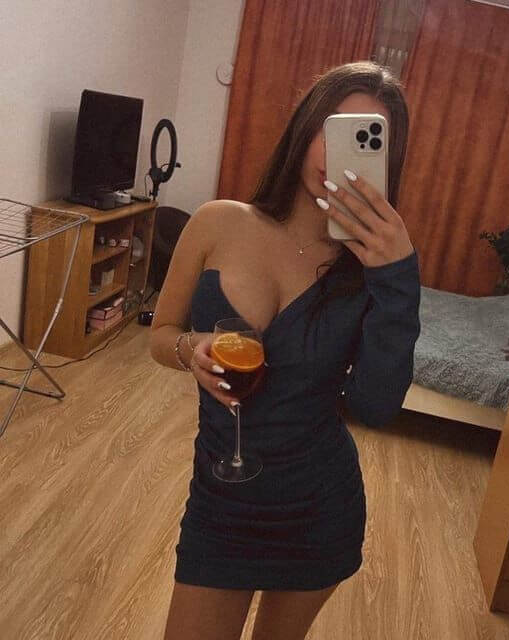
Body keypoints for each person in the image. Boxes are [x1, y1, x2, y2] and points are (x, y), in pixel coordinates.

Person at [150, 61, 421, 640]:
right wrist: (189, 348)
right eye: (330, 127)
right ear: (304, 127)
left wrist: (398, 279)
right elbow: (160, 333)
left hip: (317, 508)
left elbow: (375, 406)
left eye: (365, 139)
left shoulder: (370, 269)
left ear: (384, 162)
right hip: (220, 503)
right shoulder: (217, 223)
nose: (335, 151)